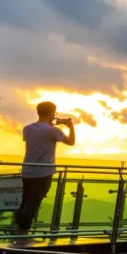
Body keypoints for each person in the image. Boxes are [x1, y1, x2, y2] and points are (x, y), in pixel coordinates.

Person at [14, 101, 75, 240]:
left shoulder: (28, 128)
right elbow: (71, 142)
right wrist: (70, 127)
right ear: (52, 113)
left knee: (25, 201)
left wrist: (52, 124)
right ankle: (23, 233)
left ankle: (19, 230)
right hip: (44, 171)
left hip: (27, 170)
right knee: (34, 202)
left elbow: (40, 138)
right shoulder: (53, 130)